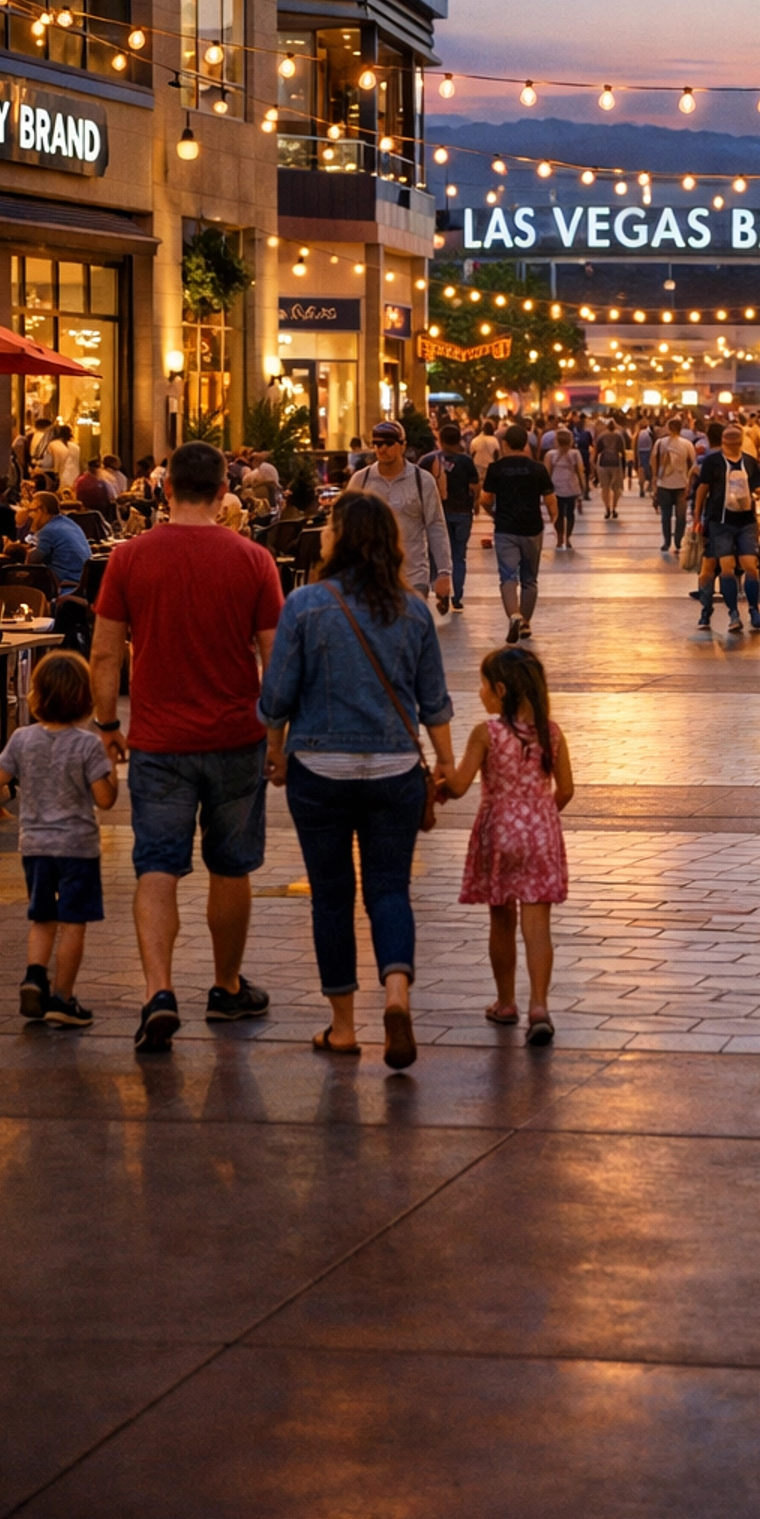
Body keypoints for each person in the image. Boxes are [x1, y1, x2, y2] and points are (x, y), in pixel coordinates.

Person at [90, 440, 284, 1054]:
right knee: (231, 866)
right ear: (225, 492)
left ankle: (159, 991)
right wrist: (277, 735)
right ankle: (226, 986)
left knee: (157, 867)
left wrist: (106, 724)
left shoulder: (129, 558)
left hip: (158, 740)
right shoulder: (254, 560)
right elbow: (275, 658)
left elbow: (104, 652)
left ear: (166, 489)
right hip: (236, 736)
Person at [259, 491, 454, 1067]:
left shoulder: (304, 604)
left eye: (329, 528)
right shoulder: (413, 609)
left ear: (341, 540)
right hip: (396, 770)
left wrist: (275, 749)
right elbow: (434, 700)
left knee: (331, 896)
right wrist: (444, 762)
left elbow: (277, 695)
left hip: (320, 770)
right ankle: (395, 994)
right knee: (389, 889)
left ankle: (343, 1026)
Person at [443, 644, 573, 1045]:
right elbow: (567, 789)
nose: (479, 691)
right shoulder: (552, 733)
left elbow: (459, 785)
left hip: (499, 833)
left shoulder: (487, 734)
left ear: (500, 690)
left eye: (483, 684)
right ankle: (539, 1006)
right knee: (538, 927)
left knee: (502, 921)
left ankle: (505, 1002)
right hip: (540, 834)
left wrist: (438, 781)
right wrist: (539, 814)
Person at [0, 650, 117, 1029]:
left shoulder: (22, 739)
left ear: (36, 695)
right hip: (78, 850)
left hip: (36, 849)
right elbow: (104, 800)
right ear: (84, 698)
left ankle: (34, 976)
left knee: (42, 917)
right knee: (74, 922)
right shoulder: (88, 745)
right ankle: (63, 998)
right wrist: (111, 770)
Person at [344, 420, 452, 610]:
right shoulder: (361, 480)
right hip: (371, 578)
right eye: (377, 444)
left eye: (389, 443)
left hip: (413, 576)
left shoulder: (422, 481)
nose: (382, 449)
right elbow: (346, 527)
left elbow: (435, 526)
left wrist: (444, 572)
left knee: (410, 626)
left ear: (402, 445)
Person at [482, 424, 557, 644]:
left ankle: (514, 615)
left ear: (505, 444)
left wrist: (494, 513)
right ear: (525, 444)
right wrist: (553, 520)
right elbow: (550, 499)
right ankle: (525, 622)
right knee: (529, 579)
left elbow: (485, 499)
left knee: (507, 577)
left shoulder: (496, 469)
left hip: (505, 529)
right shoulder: (537, 469)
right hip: (532, 528)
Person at [690, 420, 760, 633]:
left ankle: (753, 608)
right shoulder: (712, 462)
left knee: (750, 565)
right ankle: (730, 612)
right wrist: (697, 516)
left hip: (745, 521)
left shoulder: (749, 462)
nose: (732, 446)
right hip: (719, 522)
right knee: (725, 567)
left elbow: (759, 486)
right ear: (723, 443)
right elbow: (702, 489)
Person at [426, 424, 479, 608]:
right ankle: (457, 596)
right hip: (462, 514)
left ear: (440, 440)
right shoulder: (466, 461)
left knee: (437, 555)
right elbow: (474, 487)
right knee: (458, 556)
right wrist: (475, 505)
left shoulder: (428, 460)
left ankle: (441, 593)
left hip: (437, 515)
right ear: (459, 441)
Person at [19, 491, 92, 599]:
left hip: (66, 585)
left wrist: (19, 526)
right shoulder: (68, 523)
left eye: (32, 510)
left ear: (43, 509)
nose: (30, 516)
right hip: (84, 583)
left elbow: (31, 562)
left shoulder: (48, 531)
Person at [650, 414, 697, 552]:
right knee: (681, 516)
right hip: (682, 485)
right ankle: (678, 542)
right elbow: (693, 464)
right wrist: (690, 482)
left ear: (669, 428)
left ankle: (666, 542)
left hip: (663, 484)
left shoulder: (660, 443)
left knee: (666, 515)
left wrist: (654, 479)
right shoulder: (687, 444)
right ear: (681, 429)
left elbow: (653, 462)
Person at [545, 426, 586, 550]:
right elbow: (580, 471)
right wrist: (583, 487)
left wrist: (545, 489)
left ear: (556, 440)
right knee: (570, 514)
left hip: (555, 488)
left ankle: (559, 537)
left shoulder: (550, 454)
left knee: (558, 514)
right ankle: (567, 538)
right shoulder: (575, 454)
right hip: (571, 487)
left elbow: (547, 472)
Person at [593, 416, 627, 519]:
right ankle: (614, 508)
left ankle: (607, 508)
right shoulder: (619, 436)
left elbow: (596, 452)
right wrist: (624, 468)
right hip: (616, 462)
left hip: (603, 463)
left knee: (605, 488)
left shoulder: (601, 436)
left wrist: (594, 469)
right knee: (616, 488)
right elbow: (623, 452)